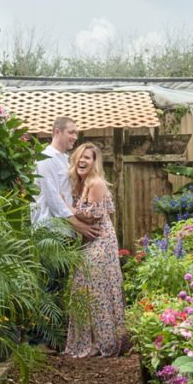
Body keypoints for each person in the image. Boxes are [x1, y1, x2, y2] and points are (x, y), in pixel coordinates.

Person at [64, 142, 127, 357]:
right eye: (80, 156)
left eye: (88, 158)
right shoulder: (78, 184)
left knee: (96, 287)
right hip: (88, 239)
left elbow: (91, 215)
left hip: (101, 240)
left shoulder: (96, 183)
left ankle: (104, 342)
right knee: (84, 286)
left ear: (94, 162)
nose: (82, 160)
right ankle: (89, 342)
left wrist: (66, 207)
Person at [31, 117, 101, 242]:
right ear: (57, 132)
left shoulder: (64, 159)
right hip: (50, 230)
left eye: (76, 133)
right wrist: (79, 226)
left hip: (65, 229)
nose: (75, 137)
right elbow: (52, 197)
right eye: (71, 132)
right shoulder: (46, 158)